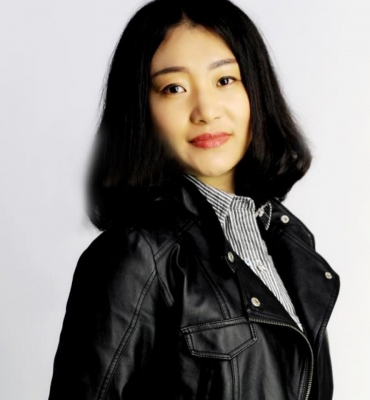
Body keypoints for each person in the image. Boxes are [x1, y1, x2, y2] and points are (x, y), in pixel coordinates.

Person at [48, 0, 340, 399]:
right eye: (174, 88)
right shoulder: (136, 255)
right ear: (141, 109)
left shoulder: (288, 241)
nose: (205, 110)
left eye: (225, 80)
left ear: (256, 89)